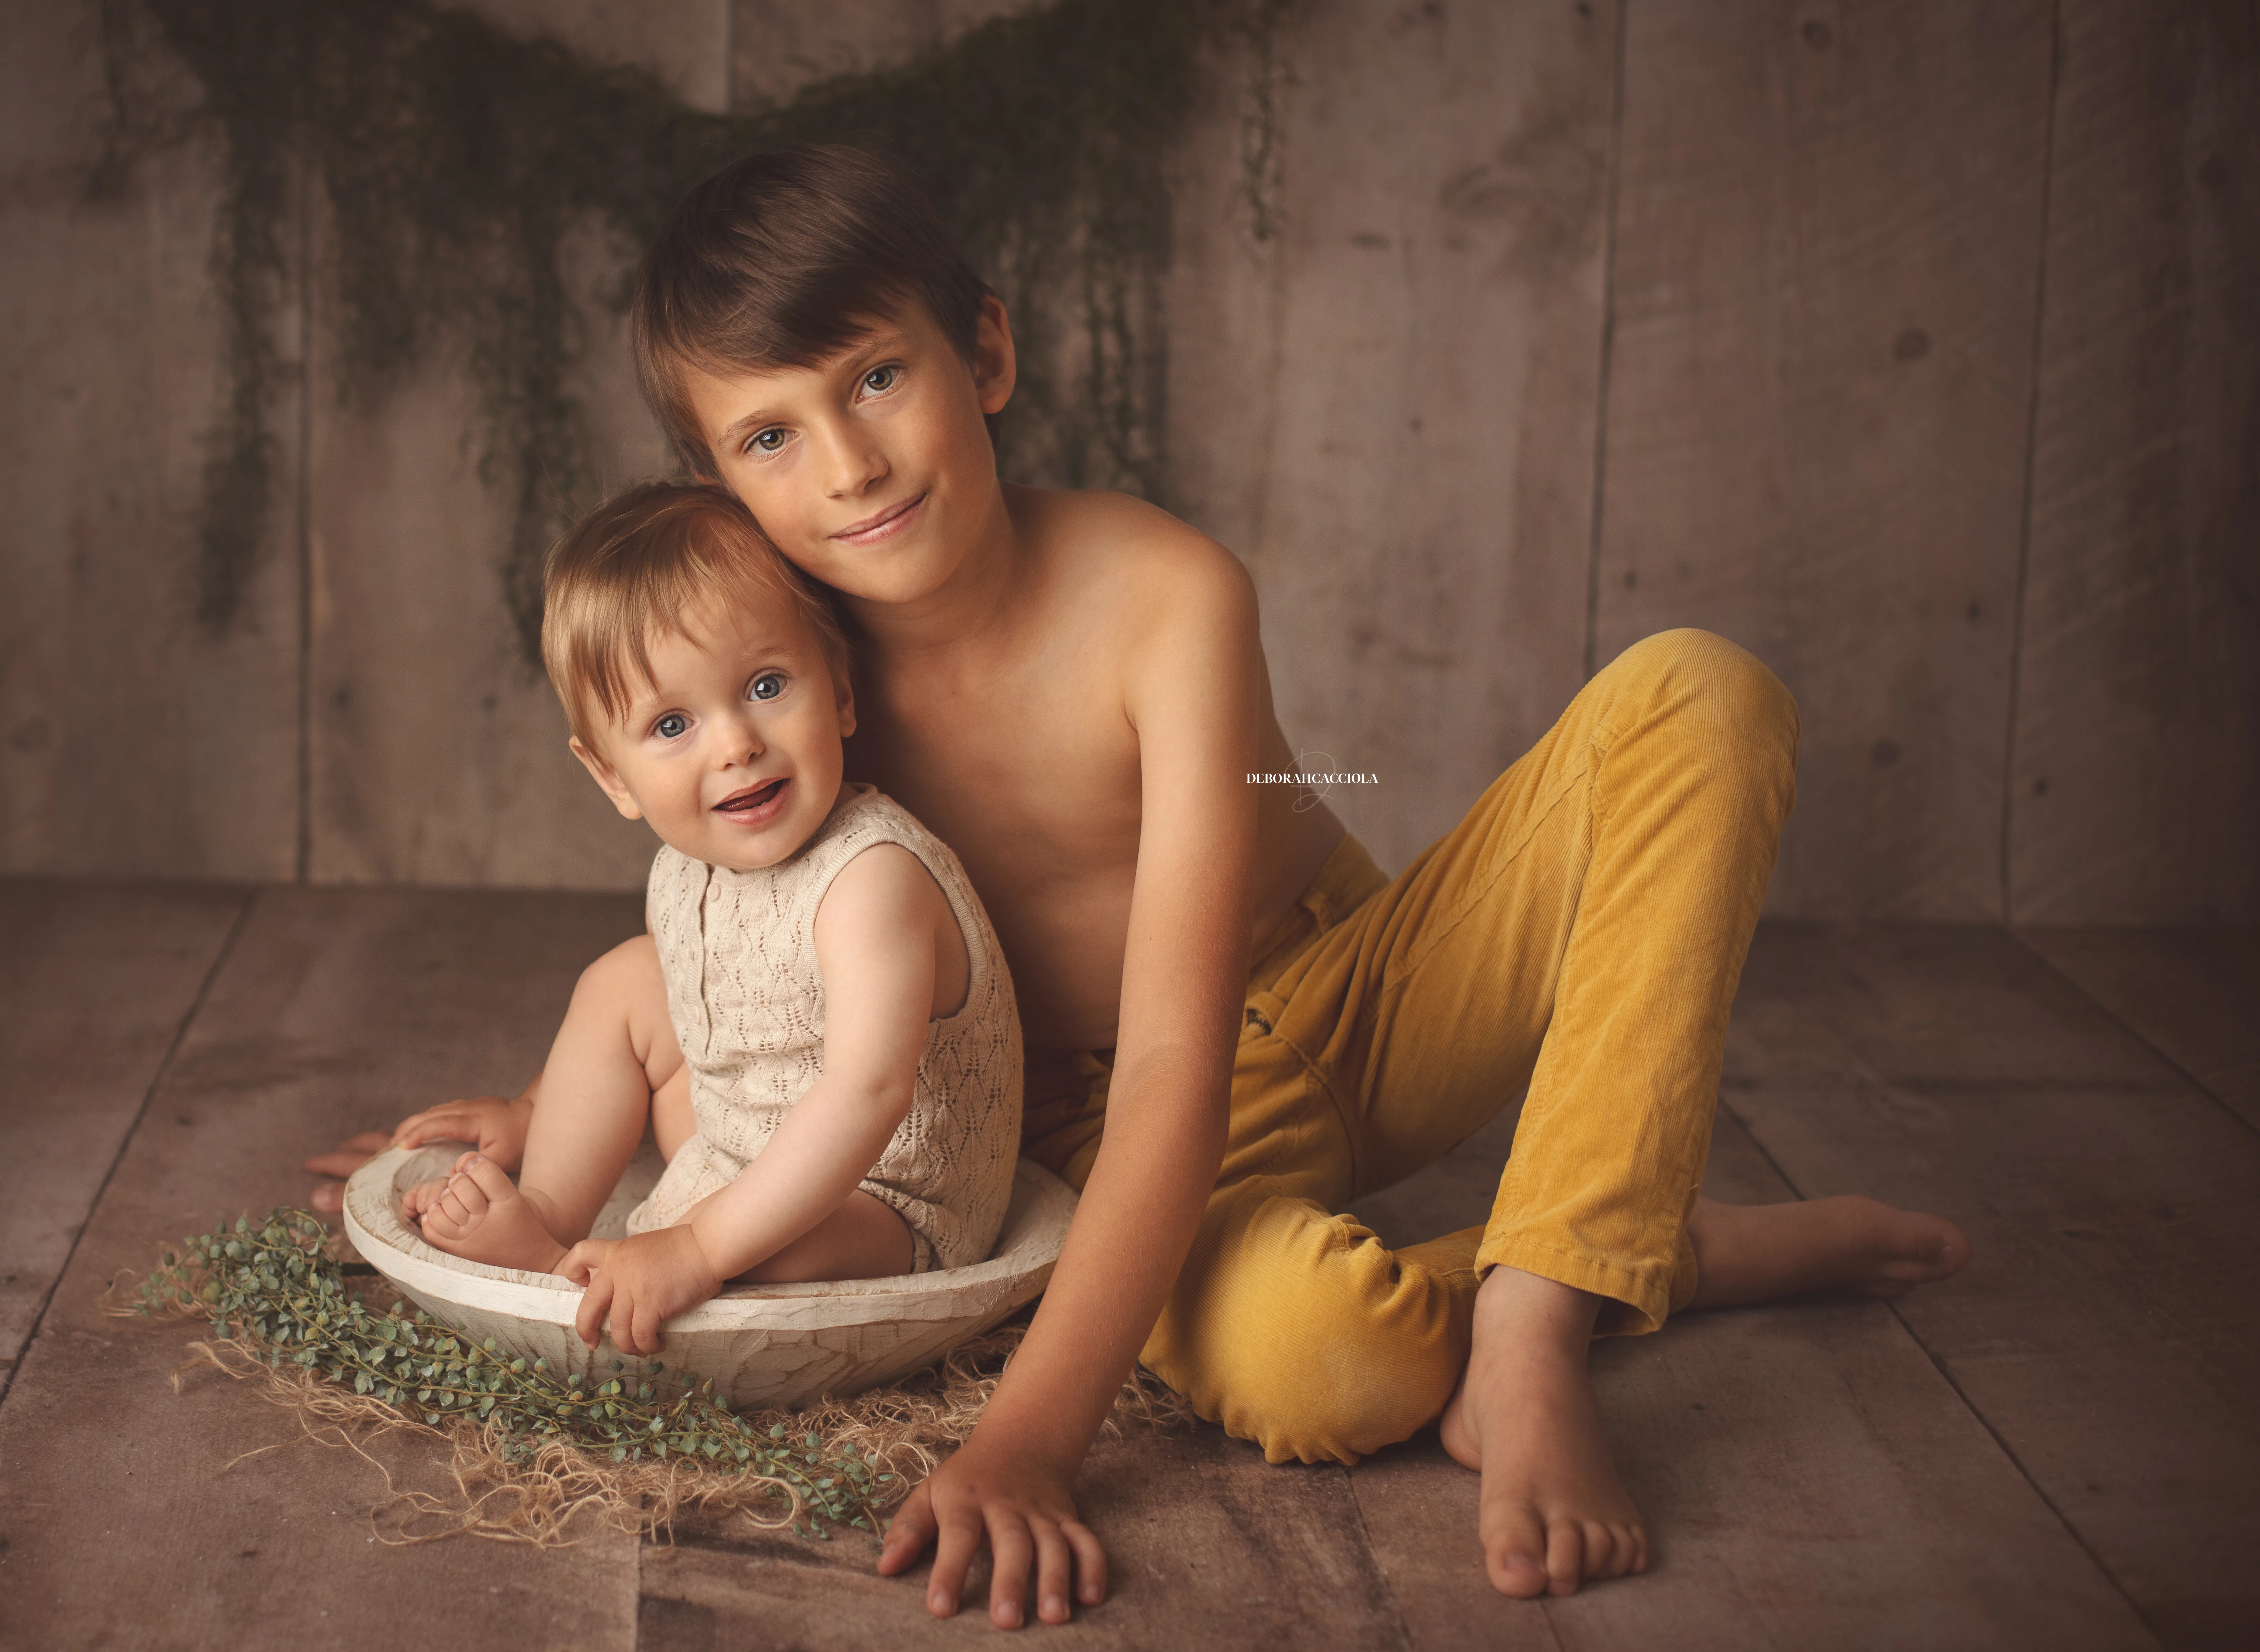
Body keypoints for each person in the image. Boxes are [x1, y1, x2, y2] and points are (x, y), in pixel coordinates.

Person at [310, 143, 1968, 1627]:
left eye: (878, 376)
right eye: (769, 434)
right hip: (1086, 1128)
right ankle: (1647, 1244)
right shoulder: (785, 681)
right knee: (1332, 1364)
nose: (849, 464)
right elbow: (741, 949)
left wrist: (1029, 1440)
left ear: (986, 353)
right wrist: (553, 1109)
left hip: (1352, 987)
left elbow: (1187, 1042)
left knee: (1697, 694)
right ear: (713, 482)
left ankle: (1542, 1312)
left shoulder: (1167, 594)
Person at [374, 482, 1023, 1353]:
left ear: (839, 690)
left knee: (776, 1248)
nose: (736, 744)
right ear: (612, 776)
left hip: (888, 1200)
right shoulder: (685, 869)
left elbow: (868, 1093)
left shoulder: (873, 876)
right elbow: (691, 1009)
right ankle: (549, 1214)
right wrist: (539, 1110)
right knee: (624, 979)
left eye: (766, 685)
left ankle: (589, 1269)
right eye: (673, 723)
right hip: (740, 1142)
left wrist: (699, 1246)